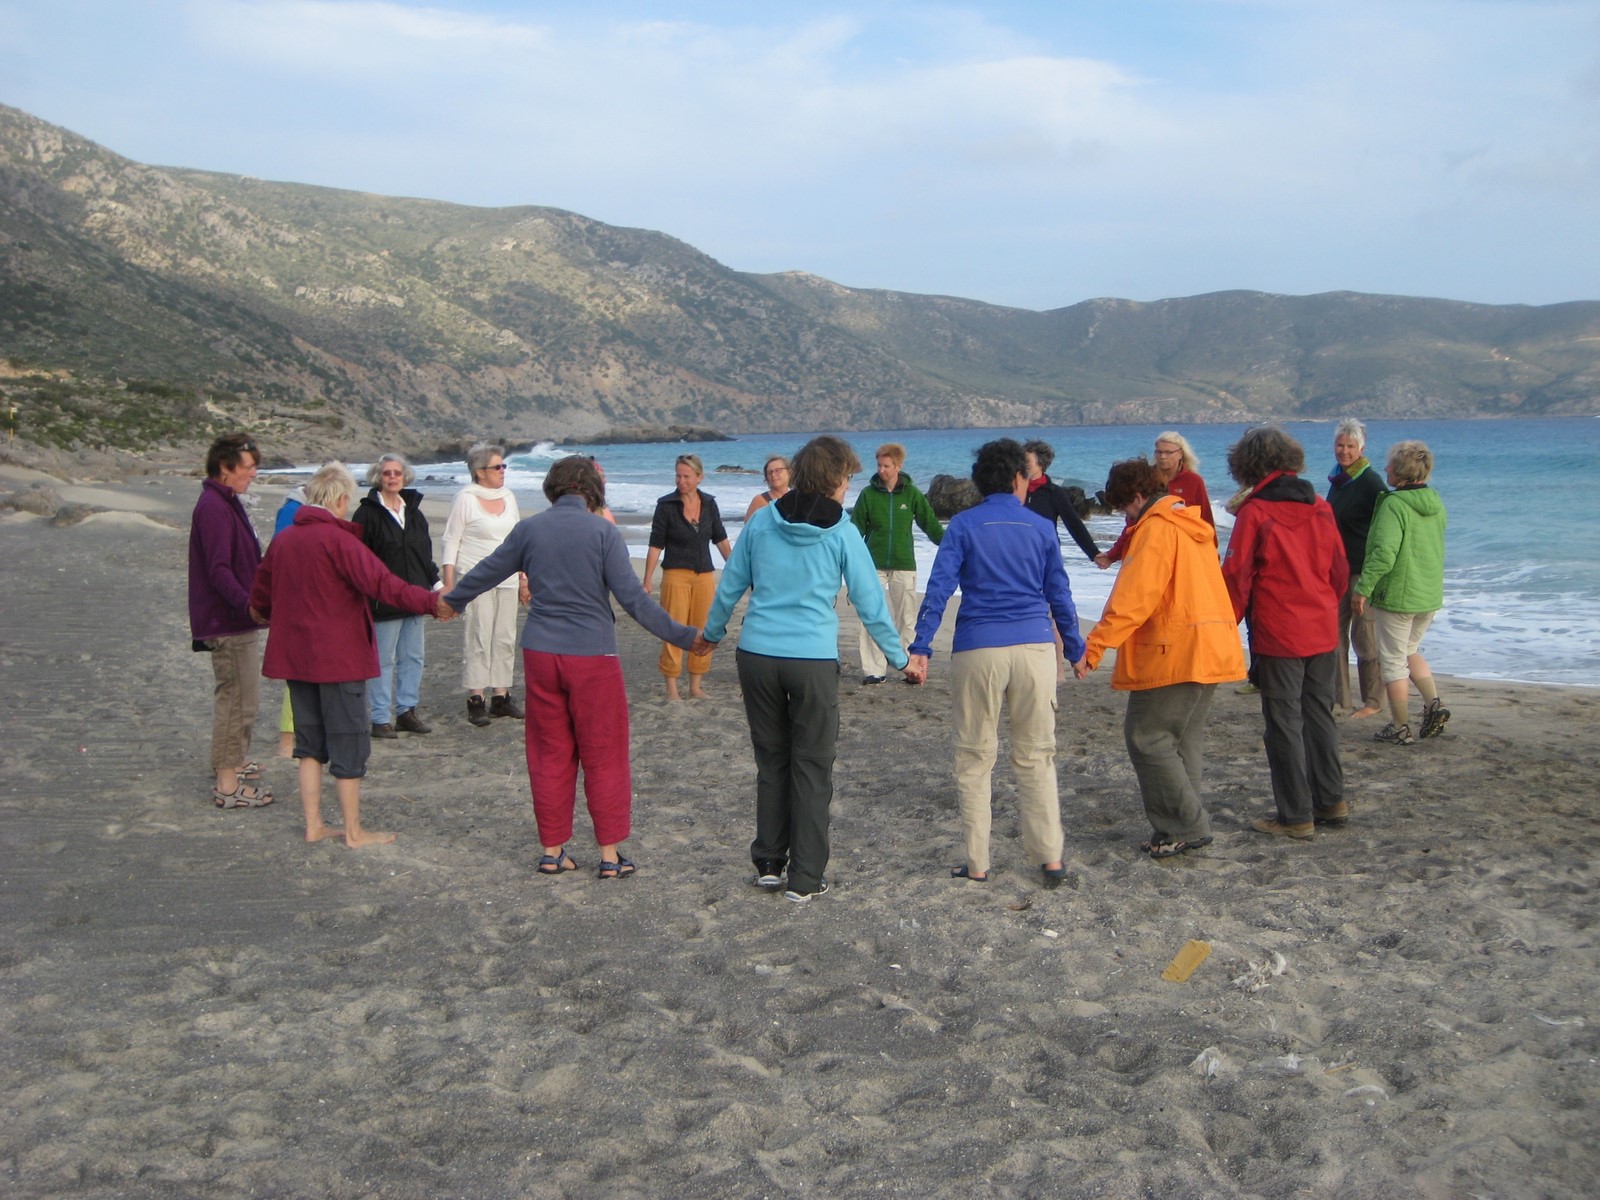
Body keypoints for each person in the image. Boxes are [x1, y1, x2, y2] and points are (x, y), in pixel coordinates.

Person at [444, 457, 701, 878]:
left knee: (549, 753)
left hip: (541, 653)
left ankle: (552, 851)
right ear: (592, 490)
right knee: (604, 754)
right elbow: (634, 601)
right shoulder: (603, 532)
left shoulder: (529, 529)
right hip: (592, 655)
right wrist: (687, 637)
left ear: (554, 487)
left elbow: (486, 571)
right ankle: (609, 856)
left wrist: (450, 601)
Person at [695, 437, 914, 903]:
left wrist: (712, 634)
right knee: (812, 767)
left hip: (757, 655)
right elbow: (869, 603)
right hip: (811, 659)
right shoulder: (842, 531)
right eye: (847, 478)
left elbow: (731, 584)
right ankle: (805, 877)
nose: (848, 486)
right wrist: (900, 658)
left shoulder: (763, 520)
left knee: (772, 760)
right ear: (834, 479)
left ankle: (769, 862)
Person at [250, 463, 455, 848]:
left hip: (298, 657)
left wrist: (259, 611)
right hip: (338, 657)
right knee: (347, 740)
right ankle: (353, 831)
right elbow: (384, 585)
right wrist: (431, 602)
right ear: (342, 500)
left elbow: (261, 589)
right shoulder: (340, 541)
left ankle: (314, 825)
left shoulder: (285, 540)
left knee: (309, 743)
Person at [907, 438, 1082, 889]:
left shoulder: (964, 525)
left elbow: (939, 588)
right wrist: (1076, 649)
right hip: (1034, 649)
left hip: (978, 647)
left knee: (974, 757)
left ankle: (978, 863)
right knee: (1036, 755)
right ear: (1018, 477)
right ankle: (1050, 859)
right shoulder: (1040, 527)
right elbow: (1059, 594)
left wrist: (921, 646)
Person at [1073, 458, 1245, 860]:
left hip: (1176, 649)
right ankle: (1176, 828)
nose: (1125, 517)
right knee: (1182, 741)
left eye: (1124, 507)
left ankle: (1186, 825)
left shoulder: (1156, 529)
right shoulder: (1191, 524)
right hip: (1213, 643)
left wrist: (1094, 647)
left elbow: (1135, 598)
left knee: (1146, 737)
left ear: (1137, 497)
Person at [1221, 427, 1349, 840]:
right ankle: (1330, 799)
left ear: (1247, 466)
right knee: (1318, 714)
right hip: (1321, 624)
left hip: (1280, 629)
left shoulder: (1256, 512)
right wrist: (1324, 604)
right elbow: (1339, 570)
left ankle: (1295, 815)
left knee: (1284, 723)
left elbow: (1236, 576)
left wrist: (1225, 626)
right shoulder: (1320, 506)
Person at [189, 433, 272, 809]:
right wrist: (247, 606)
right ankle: (226, 784)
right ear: (225, 467)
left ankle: (232, 762)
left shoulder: (225, 502)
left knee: (242, 696)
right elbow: (219, 569)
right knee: (237, 699)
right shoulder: (214, 507)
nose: (253, 473)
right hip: (227, 621)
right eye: (249, 467)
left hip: (234, 619)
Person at [1353, 441, 1450, 746]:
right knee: (1409, 649)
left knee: (1393, 661)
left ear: (1401, 471)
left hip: (1399, 596)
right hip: (1428, 593)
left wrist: (1363, 588)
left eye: (1390, 466)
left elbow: (1384, 553)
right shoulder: (1435, 501)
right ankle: (1434, 705)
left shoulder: (1394, 505)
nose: (1385, 469)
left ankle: (1400, 726)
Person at [352, 454, 440, 739]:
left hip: (415, 597)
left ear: (405, 476)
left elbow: (424, 556)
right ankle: (380, 718)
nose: (392, 477)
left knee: (413, 657)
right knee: (382, 660)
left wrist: (437, 586)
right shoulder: (366, 514)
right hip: (383, 601)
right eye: (387, 473)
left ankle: (406, 712)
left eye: (397, 473)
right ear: (378, 477)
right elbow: (360, 560)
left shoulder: (414, 513)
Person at [441, 444, 528, 727]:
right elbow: (451, 540)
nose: (503, 471)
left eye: (504, 466)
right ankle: (476, 698)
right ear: (480, 472)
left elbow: (518, 539)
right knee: (479, 635)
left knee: (504, 636)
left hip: (508, 579)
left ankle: (501, 696)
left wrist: (523, 578)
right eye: (497, 467)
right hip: (476, 578)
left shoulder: (509, 497)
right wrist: (449, 584)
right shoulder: (465, 499)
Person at [851, 442, 944, 684]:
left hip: (904, 564)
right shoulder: (868, 495)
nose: (881, 470)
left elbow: (930, 524)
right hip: (873, 564)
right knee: (871, 616)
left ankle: (910, 668)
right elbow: (854, 531)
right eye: (879, 465)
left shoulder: (912, 494)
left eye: (886, 466)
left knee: (907, 618)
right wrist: (849, 561)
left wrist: (952, 545)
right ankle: (874, 670)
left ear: (898, 466)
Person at [643, 454, 731, 701]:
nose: (681, 481)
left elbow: (721, 539)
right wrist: (647, 579)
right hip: (675, 575)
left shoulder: (709, 503)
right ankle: (672, 688)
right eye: (678, 476)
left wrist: (737, 570)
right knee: (674, 629)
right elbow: (655, 544)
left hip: (704, 575)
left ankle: (695, 686)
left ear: (699, 477)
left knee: (704, 630)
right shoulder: (666, 505)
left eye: (686, 476)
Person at [1327, 418, 1389, 718]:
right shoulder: (1337, 479)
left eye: (1351, 446)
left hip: (1362, 572)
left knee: (1365, 638)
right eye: (1340, 445)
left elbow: (1386, 527)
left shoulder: (1370, 482)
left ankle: (1373, 701)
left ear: (1361, 449)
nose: (1344, 451)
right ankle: (1340, 699)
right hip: (1337, 570)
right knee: (1334, 635)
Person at [1096, 431, 1214, 568]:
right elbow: (1131, 525)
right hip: (1149, 548)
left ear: (1181, 454)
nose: (1162, 457)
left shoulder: (1193, 481)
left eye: (1168, 452)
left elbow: (1206, 522)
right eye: (1159, 452)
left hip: (1183, 552)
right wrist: (1112, 555)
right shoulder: (1146, 478)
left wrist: (1212, 560)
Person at [1022, 439, 1100, 562]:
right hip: (1017, 553)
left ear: (1041, 463)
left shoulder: (1054, 493)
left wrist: (1094, 554)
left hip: (1046, 555)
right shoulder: (1013, 490)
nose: (1022, 464)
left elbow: (1074, 524)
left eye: (1027, 461)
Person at [743, 455, 791, 521]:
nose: (773, 475)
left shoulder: (797, 498)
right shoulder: (759, 500)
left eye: (777, 470)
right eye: (769, 472)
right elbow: (749, 525)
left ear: (789, 472)